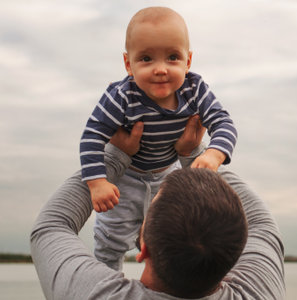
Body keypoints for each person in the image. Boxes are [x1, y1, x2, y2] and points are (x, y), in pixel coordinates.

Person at [30, 118, 285, 299]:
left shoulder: (98, 294)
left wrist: (114, 156)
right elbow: (261, 223)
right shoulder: (258, 291)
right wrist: (194, 154)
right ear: (236, 256)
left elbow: (52, 226)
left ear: (144, 249)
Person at [79, 7, 237, 270]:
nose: (160, 69)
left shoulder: (194, 89)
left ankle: (165, 288)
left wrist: (213, 154)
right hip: (126, 177)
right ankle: (107, 286)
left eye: (173, 57)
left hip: (168, 174)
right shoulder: (121, 96)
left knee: (169, 238)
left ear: (188, 61)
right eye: (146, 59)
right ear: (128, 64)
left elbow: (224, 122)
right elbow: (92, 136)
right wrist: (97, 183)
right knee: (111, 240)